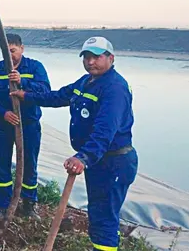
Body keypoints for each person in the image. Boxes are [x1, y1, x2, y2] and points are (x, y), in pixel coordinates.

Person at [11, 36, 138, 251]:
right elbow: (59, 96)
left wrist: (83, 157)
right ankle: (103, 245)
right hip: (99, 161)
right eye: (87, 57)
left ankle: (104, 247)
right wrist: (28, 95)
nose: (90, 62)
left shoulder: (114, 89)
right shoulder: (86, 81)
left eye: (96, 57)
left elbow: (105, 131)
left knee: (104, 214)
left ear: (111, 58)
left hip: (113, 161)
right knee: (99, 211)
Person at [0, 33, 51, 221]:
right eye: (5, 51)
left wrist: (23, 82)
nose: (9, 55)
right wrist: (3, 113)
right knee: (1, 164)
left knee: (29, 163)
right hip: (1, 126)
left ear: (21, 48)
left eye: (13, 50)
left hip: (28, 125)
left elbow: (45, 92)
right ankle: (3, 205)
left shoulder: (35, 67)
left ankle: (28, 205)